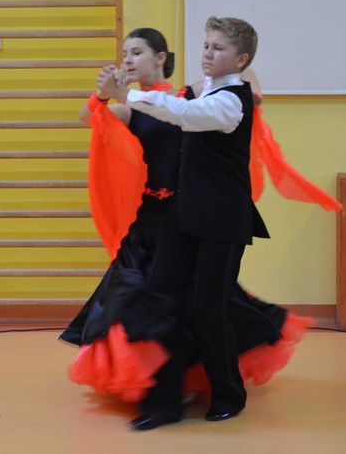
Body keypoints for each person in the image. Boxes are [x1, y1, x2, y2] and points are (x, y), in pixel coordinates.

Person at [61, 27, 311, 407]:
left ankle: (196, 383)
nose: (128, 60)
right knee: (138, 295)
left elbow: (244, 80)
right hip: (150, 220)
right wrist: (104, 93)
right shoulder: (130, 107)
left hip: (189, 214)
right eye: (125, 54)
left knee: (200, 301)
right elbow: (87, 117)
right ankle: (155, 383)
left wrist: (244, 79)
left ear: (161, 57)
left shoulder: (191, 94)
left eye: (137, 52)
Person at [97, 16, 270, 430]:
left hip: (222, 221)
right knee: (158, 300)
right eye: (206, 45)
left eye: (218, 48)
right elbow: (177, 103)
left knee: (210, 310)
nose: (207, 53)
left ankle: (229, 394)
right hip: (185, 215)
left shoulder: (230, 101)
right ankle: (165, 402)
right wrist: (118, 91)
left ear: (241, 59)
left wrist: (127, 94)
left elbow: (183, 114)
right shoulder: (207, 87)